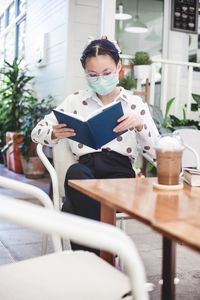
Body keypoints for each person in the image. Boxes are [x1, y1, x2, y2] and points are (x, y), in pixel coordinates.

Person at [32, 38, 159, 252]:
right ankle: (103, 255)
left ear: (119, 68)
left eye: (107, 73)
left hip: (118, 170)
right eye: (92, 75)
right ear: (85, 73)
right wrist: (52, 132)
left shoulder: (135, 104)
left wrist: (139, 125)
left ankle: (89, 257)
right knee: (75, 174)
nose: (100, 79)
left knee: (72, 206)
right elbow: (36, 132)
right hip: (85, 167)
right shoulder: (74, 101)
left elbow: (157, 154)